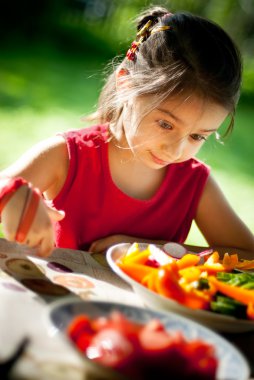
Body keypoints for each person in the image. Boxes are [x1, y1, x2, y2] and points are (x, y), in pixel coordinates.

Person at [0, 6, 253, 259]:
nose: (176, 150)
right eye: (165, 124)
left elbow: (248, 255)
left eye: (197, 136)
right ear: (125, 84)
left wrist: (151, 249)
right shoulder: (67, 157)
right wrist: (11, 194)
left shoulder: (194, 185)